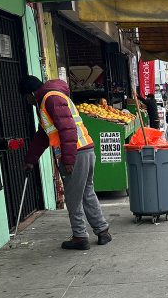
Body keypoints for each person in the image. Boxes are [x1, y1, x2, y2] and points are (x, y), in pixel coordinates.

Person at [19, 74, 111, 250]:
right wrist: (30, 160)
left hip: (75, 154)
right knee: (87, 193)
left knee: (73, 198)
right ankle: (102, 231)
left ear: (31, 92)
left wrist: (68, 159)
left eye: (26, 97)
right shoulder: (53, 98)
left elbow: (67, 130)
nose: (28, 101)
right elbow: (43, 135)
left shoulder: (50, 99)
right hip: (86, 150)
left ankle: (80, 236)